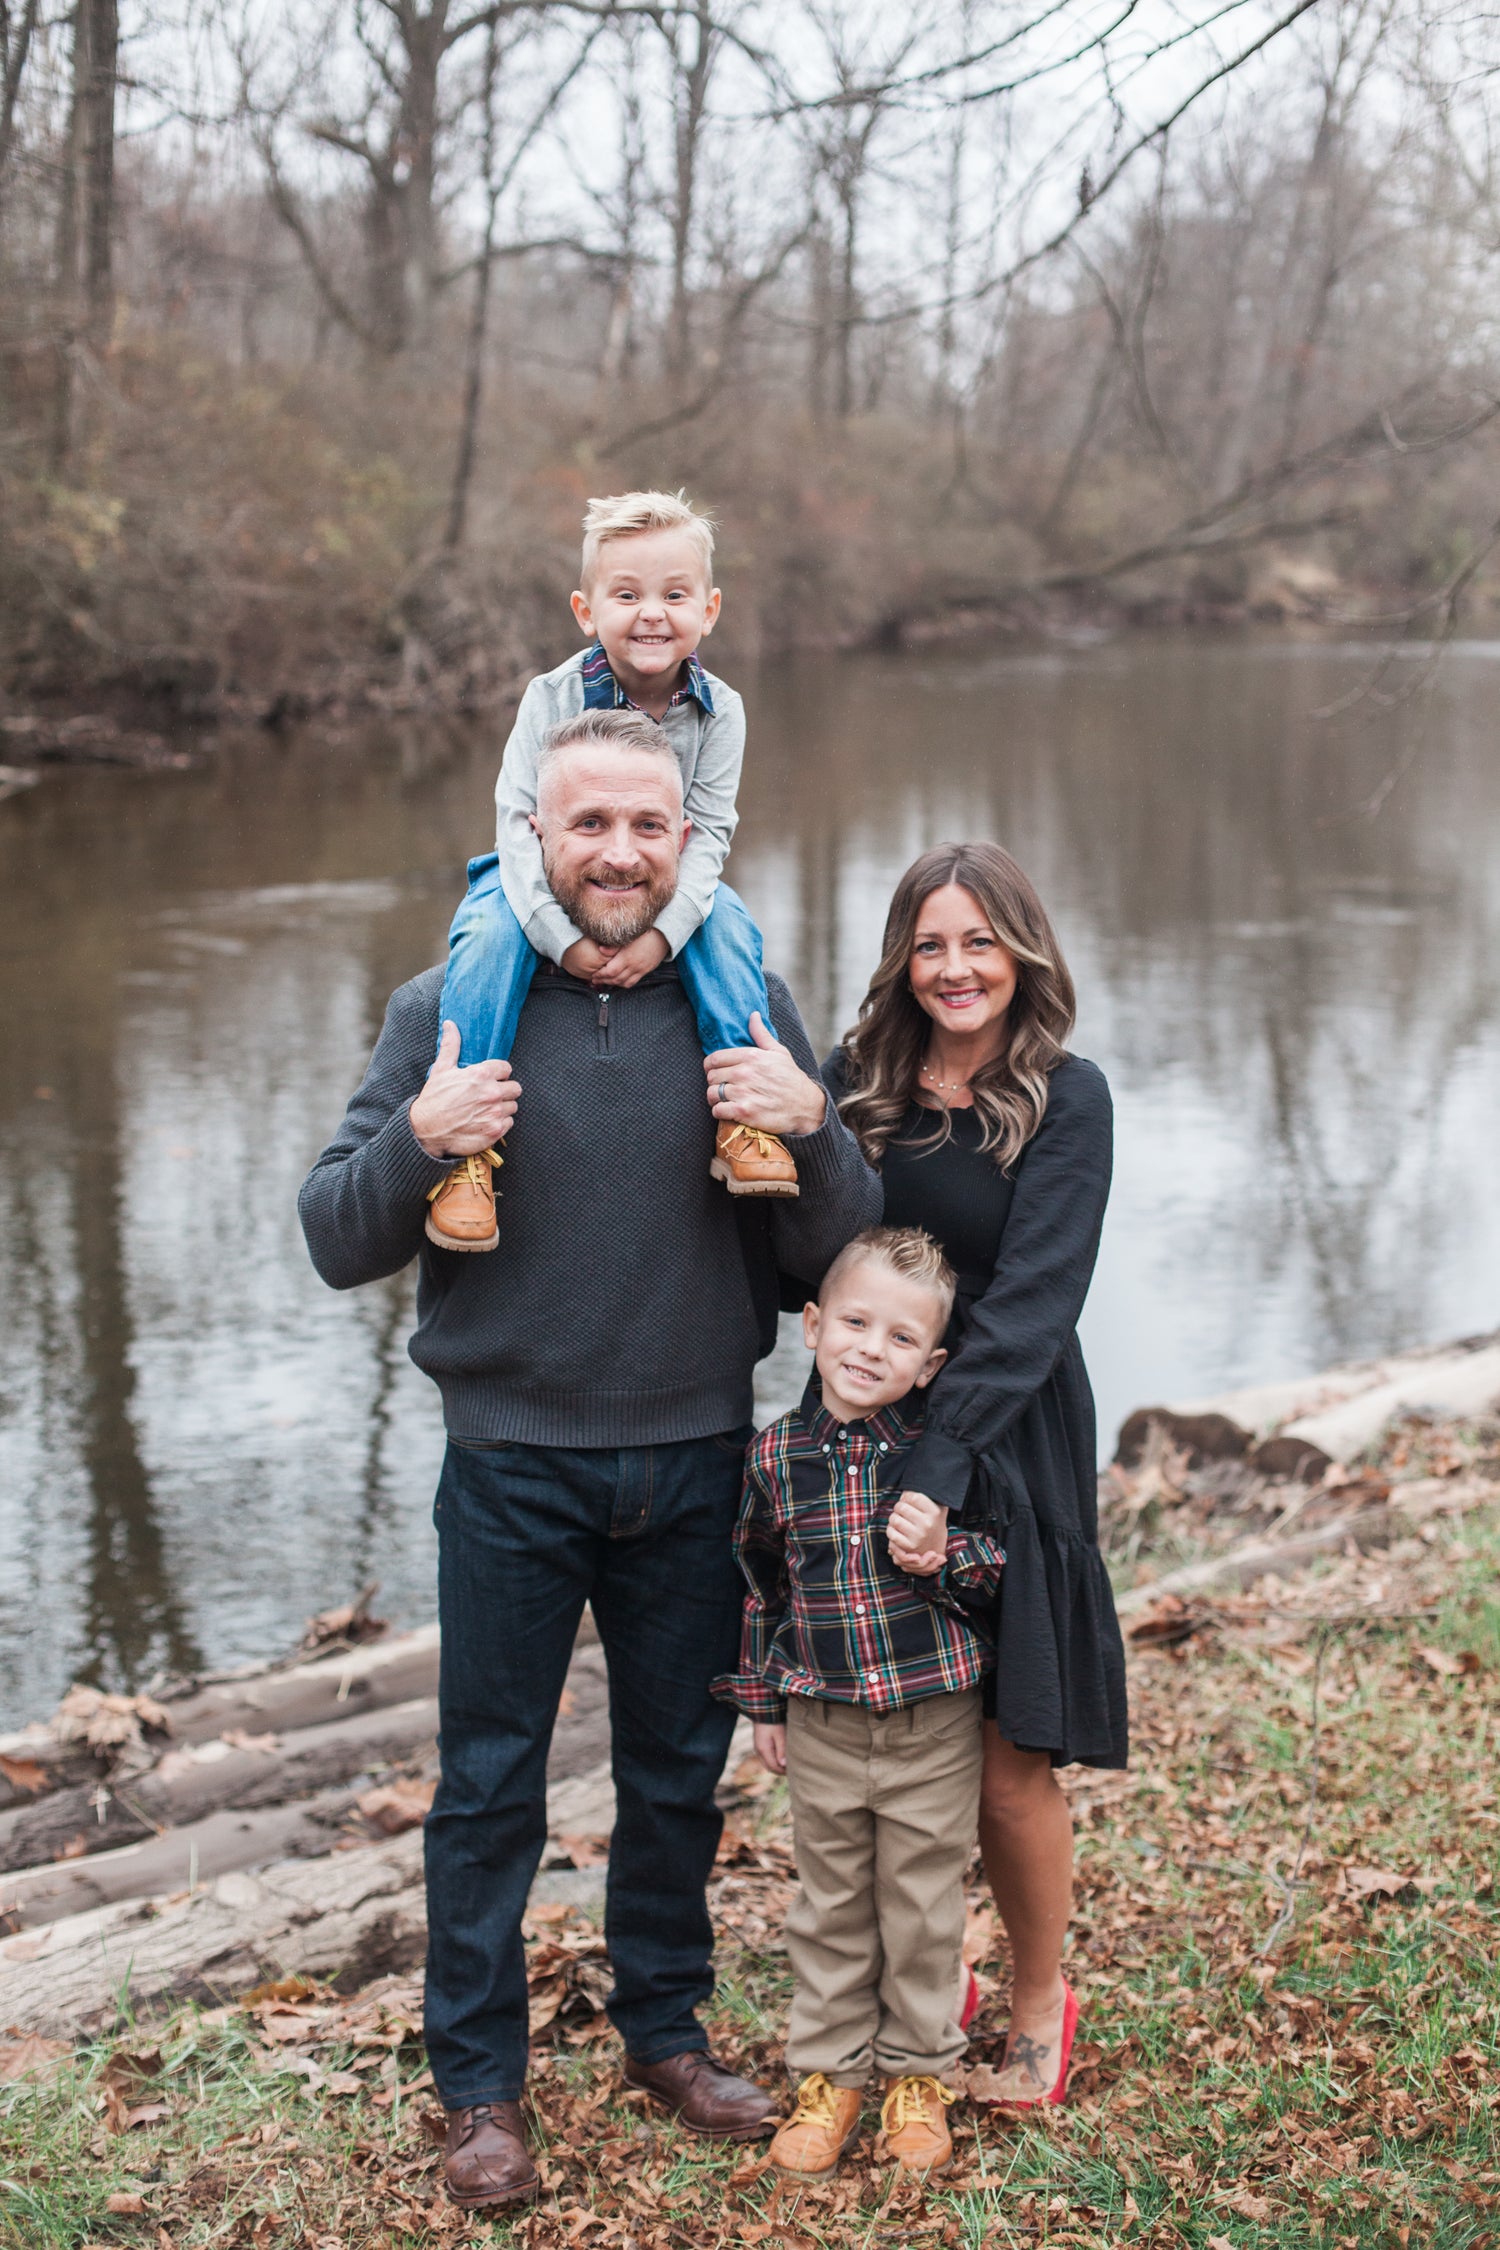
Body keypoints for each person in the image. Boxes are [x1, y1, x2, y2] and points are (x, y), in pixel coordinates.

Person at [298, 709, 881, 2212]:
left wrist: (811, 1127)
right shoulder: (450, 999)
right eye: (588, 825)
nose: (618, 851)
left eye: (646, 824)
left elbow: (838, 1257)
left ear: (684, 839)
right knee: (488, 1785)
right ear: (533, 839)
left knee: (676, 1771)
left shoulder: (741, 996)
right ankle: (480, 2086)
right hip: (509, 1463)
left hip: (697, 1452)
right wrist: (423, 1137)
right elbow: (333, 1237)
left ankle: (665, 2030)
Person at [823, 842, 1126, 2111]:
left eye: (980, 942)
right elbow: (813, 1259)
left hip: (1006, 1439)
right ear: (902, 959)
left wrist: (939, 1473)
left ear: (1023, 953)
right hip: (863, 1430)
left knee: (1006, 1758)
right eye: (931, 944)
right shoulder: (857, 1085)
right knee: (895, 1739)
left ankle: (1042, 2002)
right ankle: (926, 1980)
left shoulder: (1067, 1096)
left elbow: (1033, 1311)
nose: (956, 968)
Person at [424, 487, 799, 1255]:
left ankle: (742, 1116)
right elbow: (518, 832)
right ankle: (468, 1152)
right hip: (539, 882)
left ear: (710, 608)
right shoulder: (549, 697)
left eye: (673, 594)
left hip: (671, 887)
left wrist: (661, 940)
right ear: (586, 610)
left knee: (728, 926)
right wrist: (560, 942)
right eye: (626, 595)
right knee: (488, 932)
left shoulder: (721, 712)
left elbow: (710, 837)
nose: (651, 613)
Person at [714, 1226, 1005, 2181]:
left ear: (932, 1366)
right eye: (855, 1322)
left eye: (901, 1339)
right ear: (811, 1325)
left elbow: (1002, 1571)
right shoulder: (775, 1457)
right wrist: (764, 1702)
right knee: (832, 1906)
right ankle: (829, 2076)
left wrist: (944, 1552)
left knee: (920, 1907)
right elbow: (764, 1585)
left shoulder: (939, 1457)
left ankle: (919, 2075)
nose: (871, 1349)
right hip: (826, 1719)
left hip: (933, 1720)